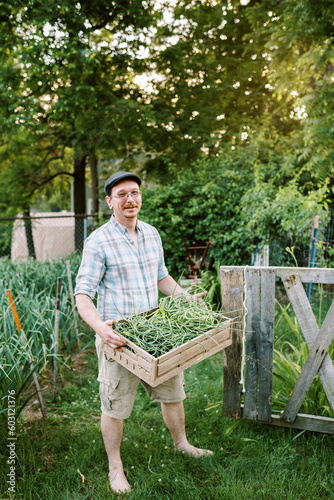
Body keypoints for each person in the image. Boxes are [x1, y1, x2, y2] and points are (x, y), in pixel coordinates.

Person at [75, 171, 212, 494]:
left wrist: (187, 299)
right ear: (109, 202)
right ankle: (115, 467)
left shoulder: (151, 234)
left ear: (140, 197)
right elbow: (83, 294)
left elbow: (162, 278)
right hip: (120, 337)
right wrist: (100, 328)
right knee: (115, 406)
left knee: (173, 393)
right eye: (121, 194)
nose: (129, 199)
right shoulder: (98, 241)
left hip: (156, 333)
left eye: (134, 193)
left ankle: (181, 443)